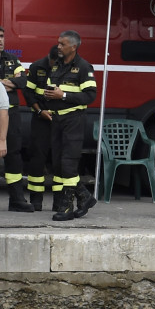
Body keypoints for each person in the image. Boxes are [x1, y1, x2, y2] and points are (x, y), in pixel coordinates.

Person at [42, 31, 97, 222]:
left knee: (68, 163)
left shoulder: (83, 67)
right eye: (58, 43)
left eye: (62, 44)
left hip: (74, 120)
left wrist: (63, 96)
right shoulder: (57, 65)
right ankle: (85, 196)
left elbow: (90, 95)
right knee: (57, 163)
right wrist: (47, 96)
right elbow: (49, 88)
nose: (58, 47)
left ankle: (67, 208)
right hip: (56, 120)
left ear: (73, 47)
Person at [22, 45, 60, 211]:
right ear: (48, 57)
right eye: (52, 63)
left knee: (60, 160)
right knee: (37, 158)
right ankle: (35, 201)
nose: (54, 67)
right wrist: (39, 110)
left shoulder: (66, 68)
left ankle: (59, 202)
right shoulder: (37, 67)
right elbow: (28, 93)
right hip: (40, 118)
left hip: (60, 120)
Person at [0, 26, 32, 212]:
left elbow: (22, 82)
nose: (1, 40)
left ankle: (17, 199)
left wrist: (2, 83)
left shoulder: (12, 60)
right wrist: (9, 84)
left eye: (2, 36)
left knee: (14, 155)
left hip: (11, 114)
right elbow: (15, 82)